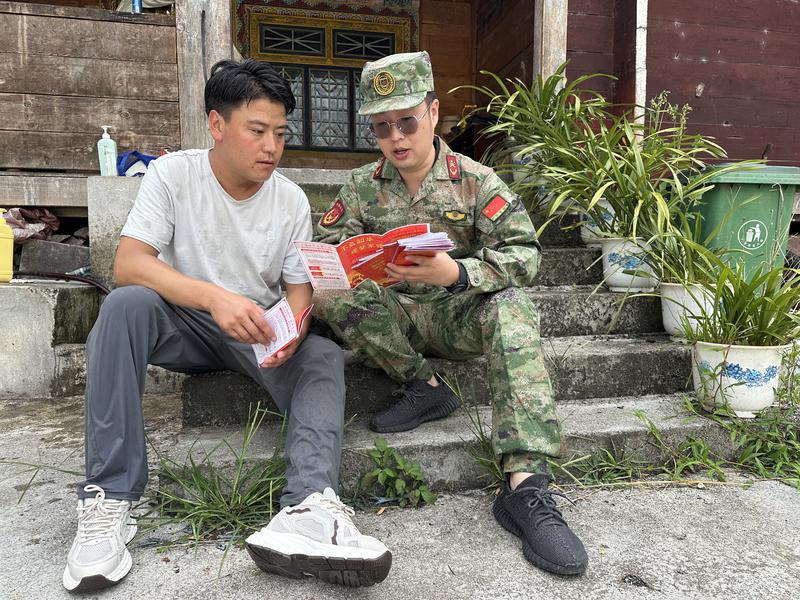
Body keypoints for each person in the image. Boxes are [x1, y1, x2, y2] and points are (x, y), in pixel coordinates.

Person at [62, 59, 391, 593]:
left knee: (323, 354)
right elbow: (129, 262)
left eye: (280, 133)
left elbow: (297, 288)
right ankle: (110, 497)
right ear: (217, 125)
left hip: (256, 332)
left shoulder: (290, 199)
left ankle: (308, 508)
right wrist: (214, 299)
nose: (271, 147)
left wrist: (294, 327)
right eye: (257, 131)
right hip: (182, 322)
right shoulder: (173, 174)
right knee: (124, 305)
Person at [315, 51, 588, 576]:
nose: (396, 138)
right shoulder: (360, 187)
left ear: (434, 113)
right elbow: (326, 252)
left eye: (407, 121)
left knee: (512, 306)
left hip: (457, 315)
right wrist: (355, 267)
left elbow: (525, 255)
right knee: (332, 295)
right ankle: (424, 386)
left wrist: (458, 273)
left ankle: (526, 485)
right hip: (393, 317)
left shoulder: (477, 182)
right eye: (382, 127)